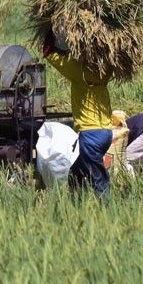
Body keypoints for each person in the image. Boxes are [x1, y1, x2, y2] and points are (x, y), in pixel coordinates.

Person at [42, 32, 113, 196]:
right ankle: (76, 202)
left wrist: (50, 28)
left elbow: (48, 52)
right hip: (106, 133)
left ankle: (107, 208)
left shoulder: (78, 72)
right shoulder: (105, 71)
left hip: (90, 136)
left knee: (98, 180)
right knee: (76, 171)